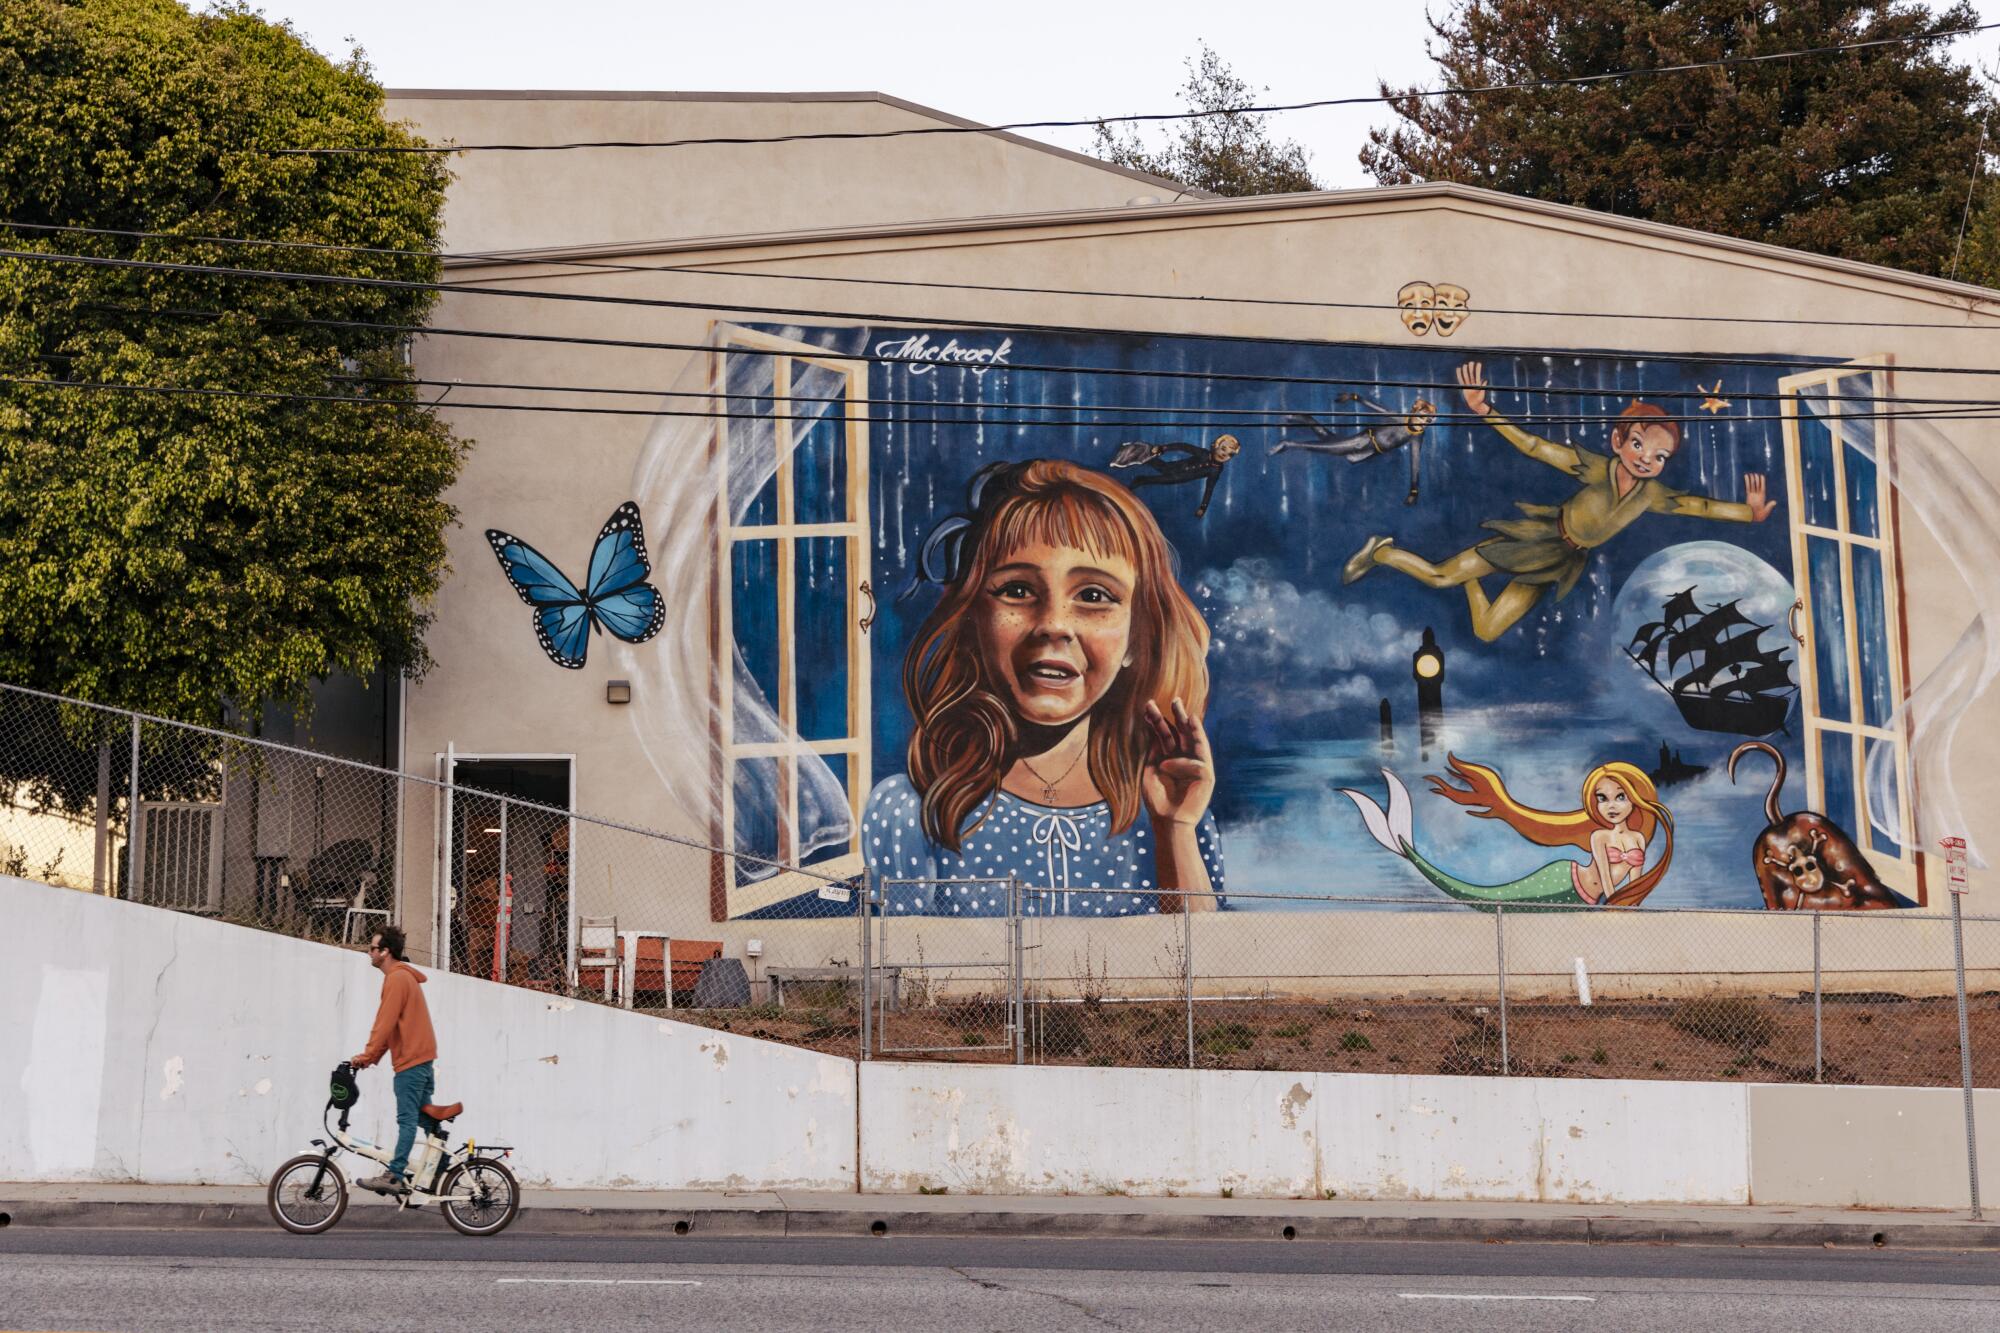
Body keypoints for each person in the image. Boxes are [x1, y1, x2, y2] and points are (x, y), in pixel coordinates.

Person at [861, 458, 1224, 916]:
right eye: (1016, 590)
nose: (1054, 625)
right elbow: (902, 975)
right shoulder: (913, 811)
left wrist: (1175, 830)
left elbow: (1206, 968)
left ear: (1140, 639)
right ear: (974, 621)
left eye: (1094, 596)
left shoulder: (1171, 805)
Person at [1343, 361, 1776, 641]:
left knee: (1488, 630)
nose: (1648, 460)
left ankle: (1470, 580)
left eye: (1660, 456)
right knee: (1439, 577)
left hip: (1560, 561)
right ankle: (1382, 552)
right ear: (1618, 441)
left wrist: (1747, 513)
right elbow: (1533, 447)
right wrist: (1485, 411)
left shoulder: (1652, 496)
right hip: (1536, 540)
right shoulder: (1593, 468)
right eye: (1641, 445)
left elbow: (1696, 506)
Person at [1340, 755, 1674, 907]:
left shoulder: (1639, 838)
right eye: (1602, 798)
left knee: (1487, 900)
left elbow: (1635, 881)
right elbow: (1606, 877)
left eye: (1620, 797)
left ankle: (1406, 849)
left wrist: (1627, 909)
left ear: (1635, 799)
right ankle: (1408, 850)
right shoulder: (1599, 837)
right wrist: (1612, 904)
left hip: (1585, 898)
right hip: (1566, 881)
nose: (1611, 805)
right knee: (1485, 898)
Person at [350, 925, 439, 1194]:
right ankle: (442, 1168)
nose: (369, 953)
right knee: (425, 1119)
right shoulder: (402, 978)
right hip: (419, 1060)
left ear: (385, 952)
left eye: (373, 948)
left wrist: (366, 1055)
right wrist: (371, 1058)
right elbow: (391, 1029)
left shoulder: (397, 979)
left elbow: (384, 1024)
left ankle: (395, 1174)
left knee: (407, 1120)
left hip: (411, 1063)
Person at [1110, 433, 1239, 518]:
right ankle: (1140, 451)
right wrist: (1163, 448)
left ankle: (1138, 481)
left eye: (1229, 454)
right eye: (1223, 449)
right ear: (1216, 446)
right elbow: (1183, 446)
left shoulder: (1216, 470)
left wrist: (1203, 507)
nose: (1224, 454)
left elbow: (1209, 488)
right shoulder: (1204, 454)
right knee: (1157, 464)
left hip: (1178, 478)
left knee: (1156, 479)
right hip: (1174, 467)